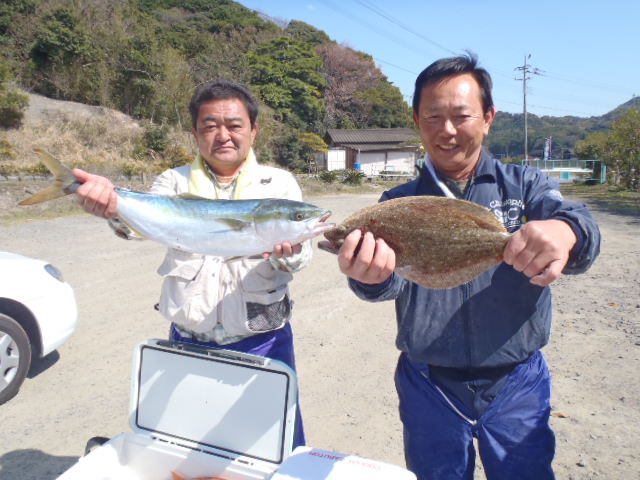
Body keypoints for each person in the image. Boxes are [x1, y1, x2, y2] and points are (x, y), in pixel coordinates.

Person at [327, 53, 601, 479]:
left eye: (461, 115)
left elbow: (580, 223)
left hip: (517, 378)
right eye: (433, 116)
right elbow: (392, 285)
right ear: (417, 120)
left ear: (488, 118)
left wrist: (567, 233)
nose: (447, 130)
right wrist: (370, 279)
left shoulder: (526, 185)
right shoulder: (395, 204)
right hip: (428, 382)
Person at [73, 80, 311, 448]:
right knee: (188, 445)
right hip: (188, 339)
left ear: (253, 130)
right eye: (210, 126)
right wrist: (111, 209)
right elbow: (137, 230)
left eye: (234, 125)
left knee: (269, 445)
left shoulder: (279, 184)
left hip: (261, 339)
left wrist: (289, 255)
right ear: (196, 133)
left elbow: (301, 256)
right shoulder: (173, 181)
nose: (223, 135)